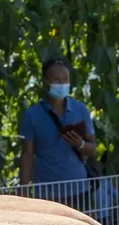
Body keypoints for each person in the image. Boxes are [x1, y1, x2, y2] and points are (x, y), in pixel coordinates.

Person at [18, 58, 99, 208]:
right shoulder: (31, 115)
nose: (62, 84)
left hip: (78, 189)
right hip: (46, 193)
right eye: (57, 79)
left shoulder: (80, 110)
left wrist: (80, 144)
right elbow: (27, 154)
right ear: (45, 82)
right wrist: (23, 190)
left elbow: (93, 147)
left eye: (65, 79)